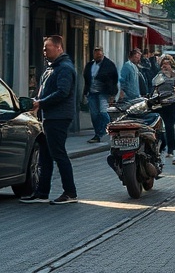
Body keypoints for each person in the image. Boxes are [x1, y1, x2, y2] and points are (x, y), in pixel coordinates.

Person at [20, 35, 78, 204]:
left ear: (59, 47)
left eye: (47, 47)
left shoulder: (64, 68)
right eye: (44, 48)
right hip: (49, 117)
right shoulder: (51, 68)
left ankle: (70, 193)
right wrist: (35, 100)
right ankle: (42, 193)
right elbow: (43, 91)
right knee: (45, 156)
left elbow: (63, 92)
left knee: (58, 154)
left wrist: (41, 103)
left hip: (58, 117)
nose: (44, 51)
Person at [82, 46, 118, 143]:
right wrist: (85, 93)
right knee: (94, 114)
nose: (98, 56)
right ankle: (97, 134)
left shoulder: (109, 65)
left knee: (103, 112)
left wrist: (112, 94)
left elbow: (114, 80)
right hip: (92, 93)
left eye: (99, 54)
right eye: (96, 54)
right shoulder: (90, 65)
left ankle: (107, 131)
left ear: (102, 54)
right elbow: (86, 80)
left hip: (103, 93)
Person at [151, 55, 175, 157]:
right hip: (160, 104)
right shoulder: (159, 75)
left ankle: (171, 149)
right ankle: (162, 145)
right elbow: (154, 84)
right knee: (159, 128)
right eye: (163, 64)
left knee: (169, 127)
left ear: (171, 64)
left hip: (171, 103)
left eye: (167, 64)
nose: (165, 66)